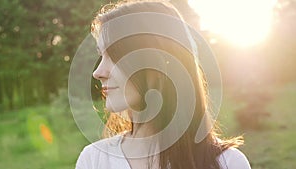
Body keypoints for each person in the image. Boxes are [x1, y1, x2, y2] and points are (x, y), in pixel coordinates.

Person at [75, 1, 251, 169]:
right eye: (101, 55)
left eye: (114, 56)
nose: (97, 72)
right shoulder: (93, 160)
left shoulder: (227, 163)